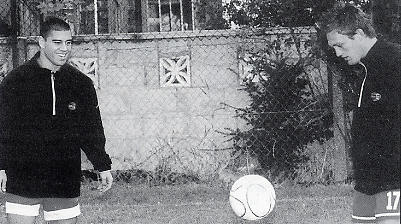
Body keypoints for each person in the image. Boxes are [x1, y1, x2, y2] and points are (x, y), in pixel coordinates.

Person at [0, 17, 113, 224]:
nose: (64, 49)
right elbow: (4, 127)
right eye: (57, 42)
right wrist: (1, 166)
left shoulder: (80, 84)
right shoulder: (16, 81)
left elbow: (91, 129)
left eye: (68, 43)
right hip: (23, 173)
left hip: (64, 175)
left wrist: (102, 165)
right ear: (42, 42)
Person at [317, 3, 400, 224]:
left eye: (340, 45)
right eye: (333, 47)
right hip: (367, 181)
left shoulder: (394, 62)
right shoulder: (364, 69)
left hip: (393, 179)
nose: (336, 52)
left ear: (359, 34)